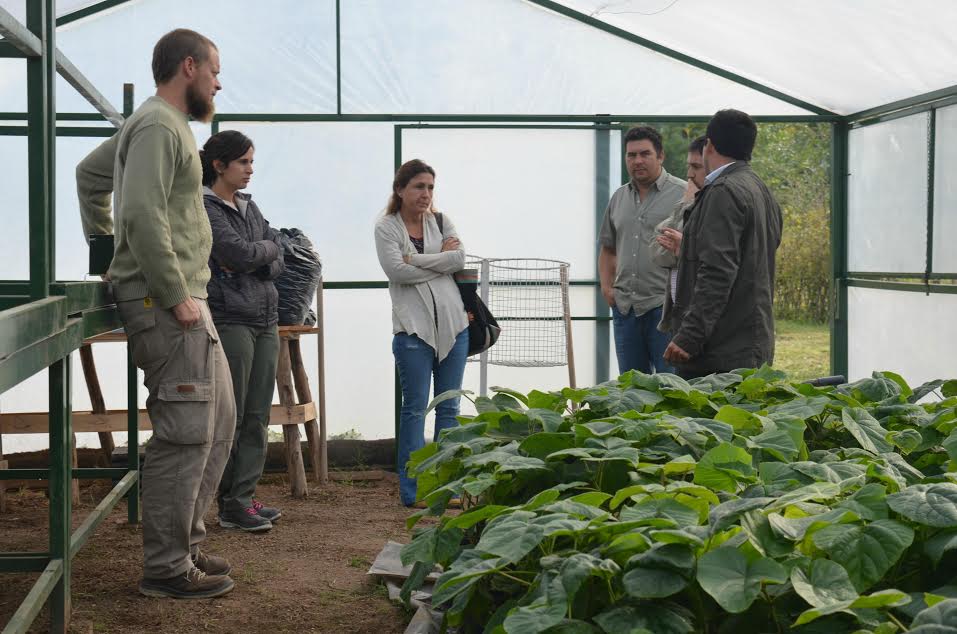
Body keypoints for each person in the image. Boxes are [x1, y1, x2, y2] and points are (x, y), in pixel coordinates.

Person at [76, 29, 236, 599]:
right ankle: (166, 569)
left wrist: (102, 247)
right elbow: (141, 214)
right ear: (188, 67)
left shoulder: (157, 126)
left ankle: (185, 546)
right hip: (168, 302)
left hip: (186, 297)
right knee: (186, 431)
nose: (220, 81)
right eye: (215, 69)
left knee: (218, 424)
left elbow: (90, 177)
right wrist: (172, 292)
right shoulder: (156, 125)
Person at [199, 130, 284, 533]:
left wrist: (260, 255)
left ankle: (242, 498)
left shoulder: (249, 206)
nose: (251, 169)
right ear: (219, 165)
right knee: (230, 416)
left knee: (257, 415)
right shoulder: (205, 206)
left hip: (266, 320)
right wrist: (260, 253)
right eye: (243, 162)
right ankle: (227, 502)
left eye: (252, 161)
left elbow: (273, 252)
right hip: (231, 318)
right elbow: (237, 252)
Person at [374, 159, 468, 508]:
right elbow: (396, 271)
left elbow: (458, 260)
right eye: (418, 186)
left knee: (450, 410)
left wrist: (416, 260)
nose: (425, 193)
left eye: (430, 187)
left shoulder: (441, 221)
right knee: (415, 409)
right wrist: (433, 262)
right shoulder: (386, 227)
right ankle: (412, 491)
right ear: (400, 190)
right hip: (413, 331)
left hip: (455, 327)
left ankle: (448, 490)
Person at [664, 109, 784, 378]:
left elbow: (717, 271)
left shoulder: (723, 192)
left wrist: (689, 336)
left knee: (706, 421)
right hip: (751, 343)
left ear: (709, 145)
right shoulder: (760, 189)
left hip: (721, 352)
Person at [598, 126, 686, 375]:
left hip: (665, 309)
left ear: (660, 156)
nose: (637, 161)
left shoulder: (682, 195)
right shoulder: (618, 198)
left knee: (671, 388)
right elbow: (607, 247)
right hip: (625, 308)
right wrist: (606, 288)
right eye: (631, 155)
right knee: (632, 388)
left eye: (645, 154)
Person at [650, 135, 707, 334]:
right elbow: (658, 252)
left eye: (696, 167)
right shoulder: (688, 199)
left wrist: (684, 248)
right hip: (679, 313)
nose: (689, 174)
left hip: (699, 317)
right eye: (688, 166)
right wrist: (686, 202)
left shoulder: (714, 203)